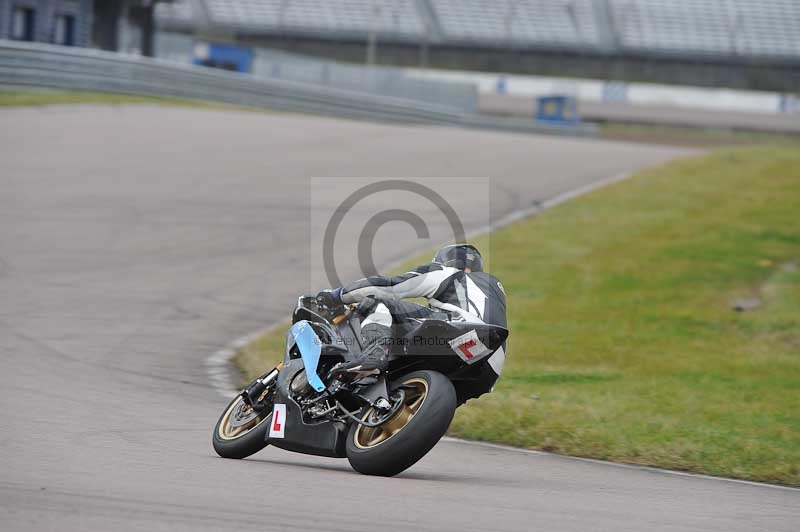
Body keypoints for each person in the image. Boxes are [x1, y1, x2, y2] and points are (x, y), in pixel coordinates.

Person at [316, 244, 507, 378]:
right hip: (489, 367)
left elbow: (388, 286)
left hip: (461, 331)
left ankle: (374, 355)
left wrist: (336, 296)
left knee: (376, 300)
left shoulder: (446, 273)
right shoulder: (494, 289)